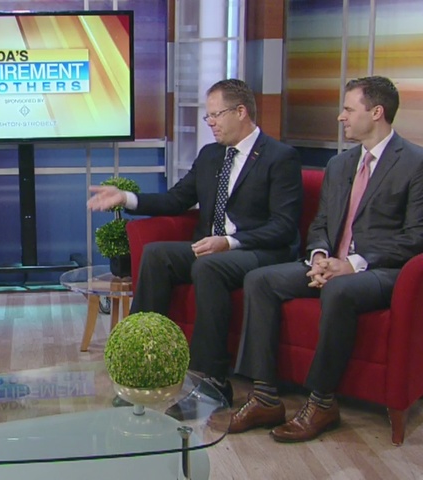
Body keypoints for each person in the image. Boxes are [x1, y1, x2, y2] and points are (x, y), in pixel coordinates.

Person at [87, 79, 303, 407]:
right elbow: (177, 199)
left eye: (216, 115)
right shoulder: (211, 155)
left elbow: (283, 227)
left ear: (241, 112)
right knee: (157, 255)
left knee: (209, 266)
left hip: (259, 251)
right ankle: (143, 363)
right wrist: (126, 198)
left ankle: (210, 380)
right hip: (212, 248)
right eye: (208, 116)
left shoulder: (279, 157)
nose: (210, 123)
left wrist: (229, 242)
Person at [231, 75, 423, 442]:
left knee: (339, 290)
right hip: (332, 263)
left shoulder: (415, 163)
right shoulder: (339, 164)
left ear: (377, 112)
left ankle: (321, 402)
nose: (340, 116)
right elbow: (321, 223)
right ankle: (265, 396)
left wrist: (353, 264)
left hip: (381, 271)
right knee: (260, 280)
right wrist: (320, 256)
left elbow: (416, 237)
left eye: (349, 109)